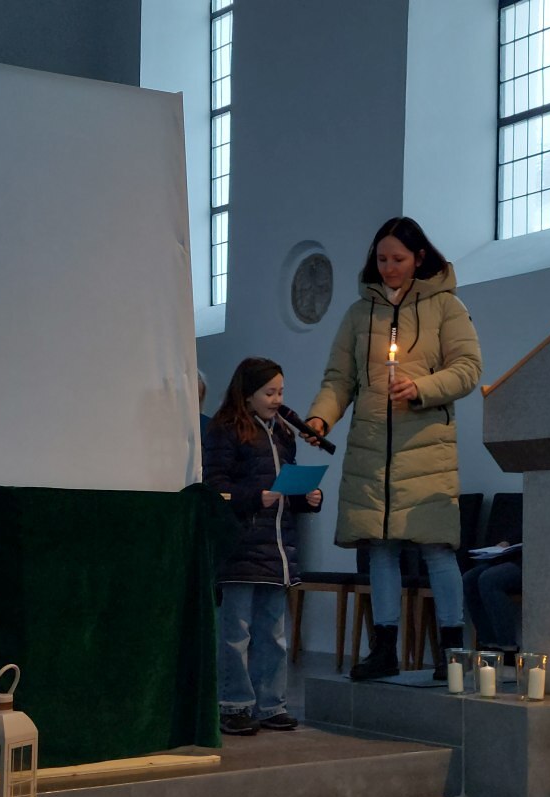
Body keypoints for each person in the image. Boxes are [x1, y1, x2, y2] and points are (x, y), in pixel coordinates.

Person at [304, 217, 482, 680]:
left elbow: (468, 368)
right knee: (380, 547)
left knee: (437, 547)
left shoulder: (447, 306)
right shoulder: (359, 314)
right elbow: (339, 379)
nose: (388, 267)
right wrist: (321, 417)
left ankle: (451, 652)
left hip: (425, 446)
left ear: (419, 257)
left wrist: (421, 387)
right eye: (382, 259)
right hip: (371, 447)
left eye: (398, 259)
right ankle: (384, 648)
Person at [203, 357, 322, 734]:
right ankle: (234, 704)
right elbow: (215, 489)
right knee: (236, 633)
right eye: (269, 393)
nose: (277, 399)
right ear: (247, 394)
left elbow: (285, 490)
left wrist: (307, 498)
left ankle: (272, 705)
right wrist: (255, 497)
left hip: (277, 548)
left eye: (281, 392)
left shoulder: (283, 433)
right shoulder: (225, 430)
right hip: (240, 547)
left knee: (274, 633)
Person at [463, 542, 522, 665]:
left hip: (522, 559)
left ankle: (508, 648)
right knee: (469, 579)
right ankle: (489, 645)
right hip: (501, 558)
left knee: (489, 579)